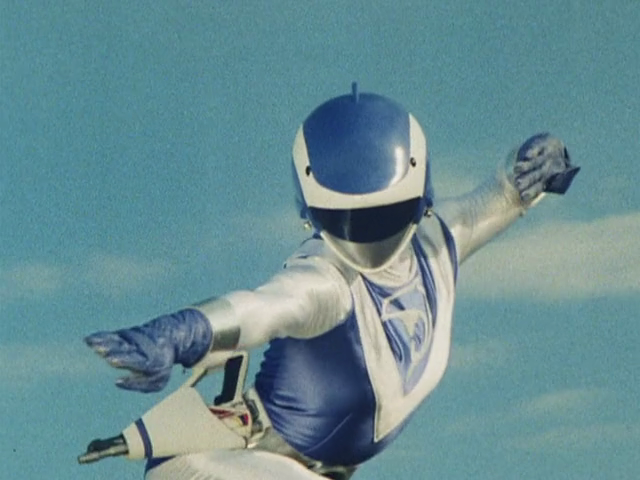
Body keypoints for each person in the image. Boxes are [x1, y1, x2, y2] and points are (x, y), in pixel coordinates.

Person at [85, 84, 579, 479]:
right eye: (344, 222)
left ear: (420, 199)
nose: (368, 242)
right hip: (223, 464)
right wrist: (181, 333)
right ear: (313, 215)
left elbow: (502, 195)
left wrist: (541, 160)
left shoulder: (438, 243)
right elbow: (261, 309)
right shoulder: (326, 280)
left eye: (385, 216)